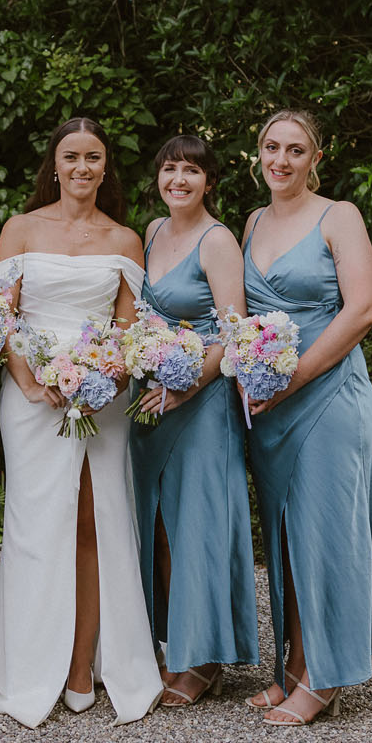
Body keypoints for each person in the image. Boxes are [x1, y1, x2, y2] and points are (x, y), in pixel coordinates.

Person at [0, 117, 164, 727]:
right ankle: (28, 668)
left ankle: (84, 663)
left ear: (106, 167)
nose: (82, 168)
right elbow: (1, 317)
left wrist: (102, 374)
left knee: (94, 523)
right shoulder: (21, 229)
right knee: (34, 525)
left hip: (100, 396)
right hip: (32, 398)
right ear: (54, 166)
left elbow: (128, 329)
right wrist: (31, 379)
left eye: (93, 158)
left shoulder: (125, 239)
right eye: (71, 157)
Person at [239, 109, 372, 726]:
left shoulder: (340, 217)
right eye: (271, 148)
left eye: (296, 151)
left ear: (316, 159)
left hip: (327, 394)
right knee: (283, 535)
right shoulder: (252, 222)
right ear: (258, 154)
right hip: (267, 403)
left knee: (326, 534)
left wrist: (291, 379)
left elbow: (362, 310)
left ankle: (325, 678)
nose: (281, 160)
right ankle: (293, 667)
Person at [128, 135, 258, 706]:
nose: (178, 179)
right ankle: (170, 643)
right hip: (148, 400)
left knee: (196, 525)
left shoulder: (218, 240)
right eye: (169, 168)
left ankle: (203, 659)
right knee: (155, 524)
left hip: (200, 403)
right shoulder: (153, 232)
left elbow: (234, 332)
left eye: (191, 171)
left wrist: (185, 388)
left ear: (209, 181)